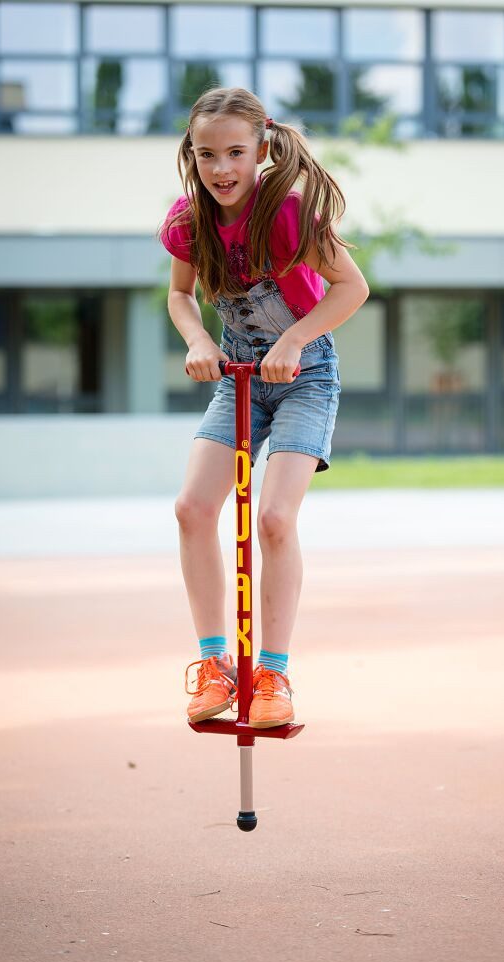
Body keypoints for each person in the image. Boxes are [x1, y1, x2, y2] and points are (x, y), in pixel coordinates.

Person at [159, 87, 369, 729]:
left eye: (235, 152)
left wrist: (294, 340)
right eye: (207, 154)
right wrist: (198, 340)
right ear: (191, 155)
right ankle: (215, 665)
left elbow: (351, 287)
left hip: (306, 375)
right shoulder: (189, 221)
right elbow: (180, 296)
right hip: (238, 376)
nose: (221, 168)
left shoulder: (287, 214)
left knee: (275, 518)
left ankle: (272, 672)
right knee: (193, 508)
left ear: (261, 150)